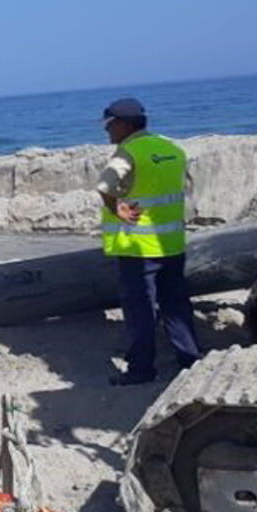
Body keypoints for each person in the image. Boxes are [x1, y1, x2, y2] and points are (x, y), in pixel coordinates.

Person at [97, 97, 202, 386]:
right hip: (172, 244)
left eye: (109, 124)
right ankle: (190, 361)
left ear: (123, 124)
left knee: (140, 311)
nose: (106, 130)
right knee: (176, 306)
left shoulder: (128, 153)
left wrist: (117, 208)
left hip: (138, 248)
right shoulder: (172, 150)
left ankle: (141, 369)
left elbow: (104, 185)